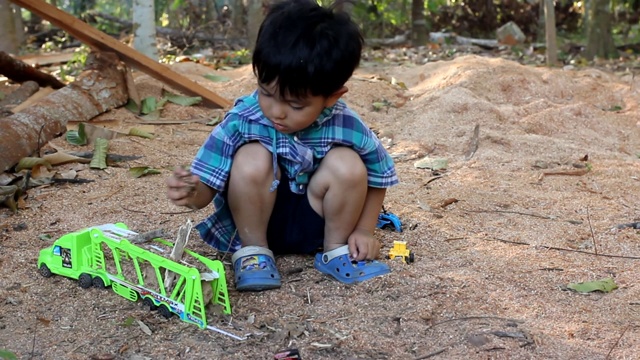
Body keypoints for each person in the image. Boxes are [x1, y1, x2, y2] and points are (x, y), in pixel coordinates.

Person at [166, 0, 399, 292]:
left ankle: (336, 251)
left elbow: (379, 177)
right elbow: (206, 188)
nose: (277, 111)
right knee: (252, 155)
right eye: (266, 93)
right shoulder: (242, 120)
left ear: (332, 97)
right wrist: (191, 191)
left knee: (348, 163)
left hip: (320, 223)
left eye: (296, 104)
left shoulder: (346, 125)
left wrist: (364, 230)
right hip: (255, 221)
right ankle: (254, 254)